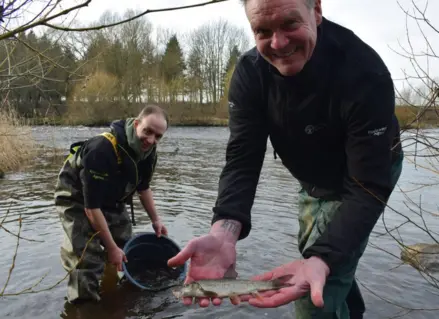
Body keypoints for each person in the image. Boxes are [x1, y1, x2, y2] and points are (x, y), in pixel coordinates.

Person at [168, 0, 404, 318]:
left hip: (366, 175)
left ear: (316, 10)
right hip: (311, 178)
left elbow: (368, 186)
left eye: (290, 24)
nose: (278, 44)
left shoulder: (365, 73)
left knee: (313, 291)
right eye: (262, 31)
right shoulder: (250, 75)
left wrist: (323, 259)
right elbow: (242, 158)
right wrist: (224, 232)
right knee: (323, 255)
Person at [54, 104, 169, 304]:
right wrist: (111, 247)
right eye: (147, 131)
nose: (151, 140)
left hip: (110, 196)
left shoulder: (149, 154)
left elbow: (143, 188)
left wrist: (156, 220)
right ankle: (84, 306)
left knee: (125, 245)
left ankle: (113, 293)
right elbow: (91, 208)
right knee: (87, 256)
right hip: (77, 197)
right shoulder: (103, 149)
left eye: (158, 136)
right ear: (136, 124)